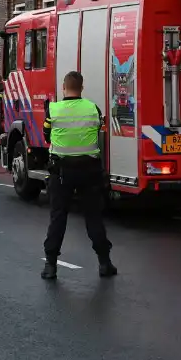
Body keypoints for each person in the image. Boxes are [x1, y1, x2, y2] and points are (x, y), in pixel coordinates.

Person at [41, 71, 116, 280]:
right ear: (82, 88)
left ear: (64, 88)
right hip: (89, 171)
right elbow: (98, 130)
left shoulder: (53, 110)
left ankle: (51, 265)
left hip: (62, 171)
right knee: (93, 216)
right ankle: (104, 263)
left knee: (58, 216)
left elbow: (46, 135)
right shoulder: (93, 108)